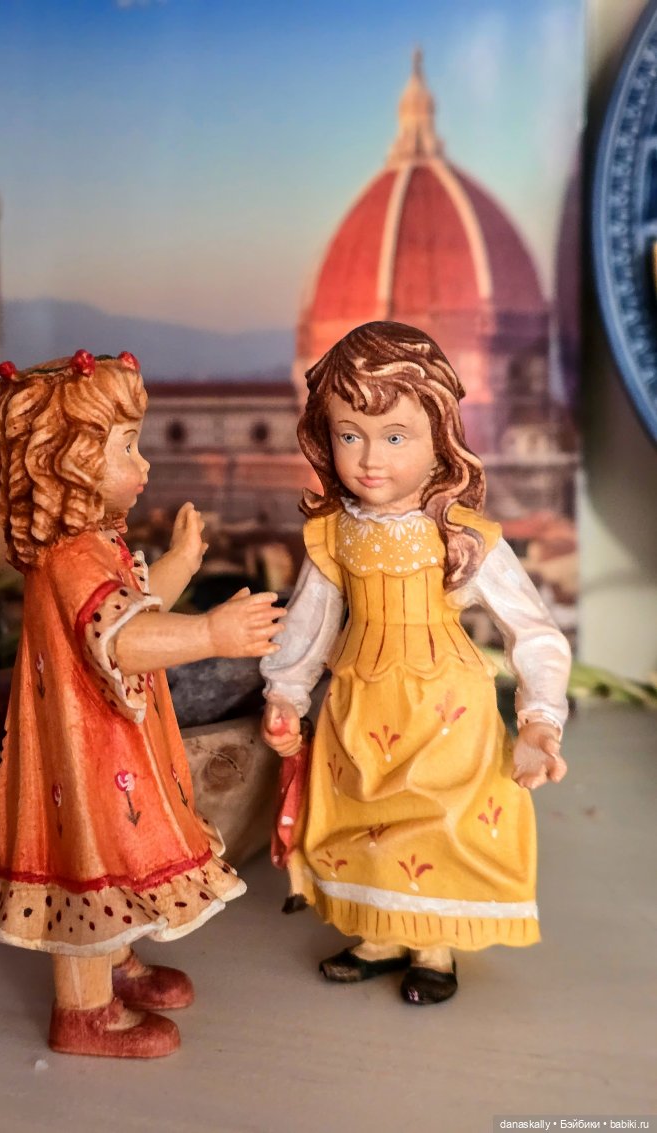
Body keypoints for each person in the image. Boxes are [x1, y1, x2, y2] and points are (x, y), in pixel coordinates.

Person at [0, 349, 284, 1056]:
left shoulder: (93, 545)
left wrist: (181, 563)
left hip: (109, 746)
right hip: (86, 757)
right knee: (88, 858)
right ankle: (84, 1010)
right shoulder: (73, 559)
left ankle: (117, 959)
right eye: (127, 447)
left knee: (117, 851)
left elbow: (134, 605)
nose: (145, 465)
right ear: (71, 465)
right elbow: (124, 640)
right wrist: (211, 633)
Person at [260, 322, 570, 1006]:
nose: (371, 459)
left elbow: (534, 632)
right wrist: (286, 691)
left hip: (444, 712)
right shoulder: (333, 534)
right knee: (359, 819)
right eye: (350, 435)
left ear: (440, 439)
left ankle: (433, 946)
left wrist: (540, 719)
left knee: (435, 818)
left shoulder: (460, 536)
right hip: (357, 704)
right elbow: (309, 622)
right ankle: (378, 934)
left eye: (395, 437)